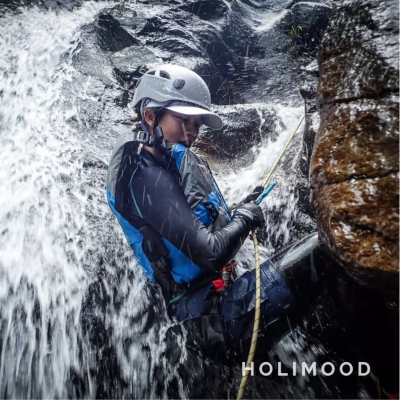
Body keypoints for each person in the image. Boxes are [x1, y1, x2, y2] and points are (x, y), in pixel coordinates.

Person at [106, 64, 296, 345]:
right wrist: (244, 219)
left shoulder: (161, 164)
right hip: (210, 319)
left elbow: (192, 225)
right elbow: (209, 253)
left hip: (212, 304)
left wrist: (240, 209)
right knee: (328, 252)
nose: (192, 133)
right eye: (183, 120)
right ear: (150, 115)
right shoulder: (144, 176)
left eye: (197, 125)